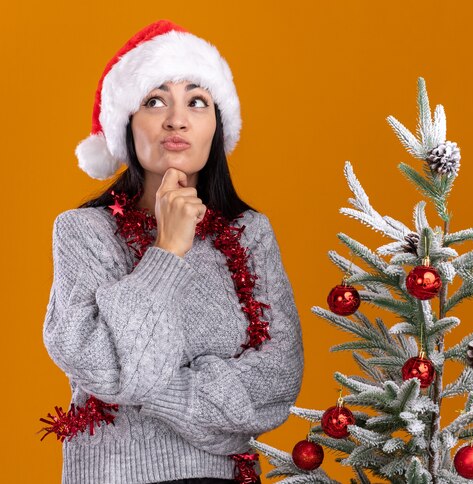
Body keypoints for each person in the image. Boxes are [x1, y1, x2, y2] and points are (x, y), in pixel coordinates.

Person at [41, 19, 304, 484]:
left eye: (196, 101)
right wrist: (168, 250)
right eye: (155, 100)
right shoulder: (83, 233)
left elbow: (278, 381)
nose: (176, 119)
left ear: (216, 126)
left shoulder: (250, 233)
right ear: (126, 123)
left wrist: (148, 387)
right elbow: (98, 364)